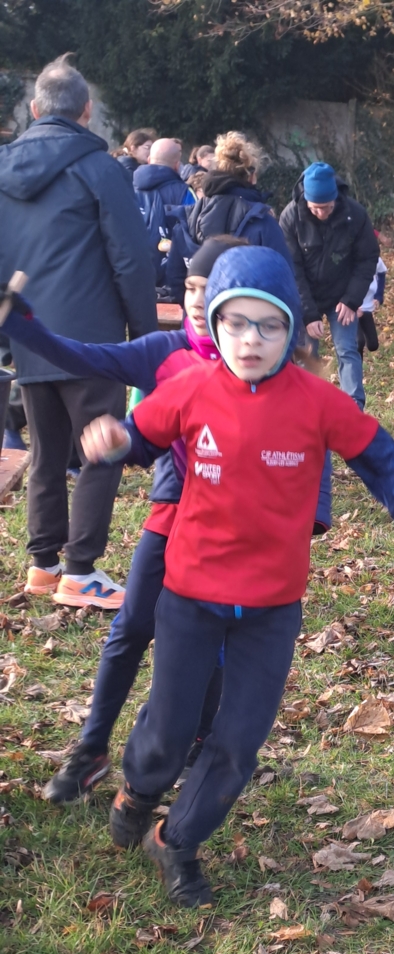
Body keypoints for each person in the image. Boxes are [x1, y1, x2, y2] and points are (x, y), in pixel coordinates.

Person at [79, 245, 394, 907]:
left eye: (268, 325)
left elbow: (387, 461)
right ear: (215, 323)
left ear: (291, 330)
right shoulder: (191, 387)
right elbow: (142, 435)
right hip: (189, 595)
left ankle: (177, 840)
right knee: (170, 728)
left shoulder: (317, 402)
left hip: (271, 608)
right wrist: (115, 441)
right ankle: (140, 788)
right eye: (236, 322)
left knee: (238, 741)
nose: (250, 340)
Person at [0, 237, 274, 804]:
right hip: (173, 510)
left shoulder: (263, 360)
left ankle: (200, 740)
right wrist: (21, 323)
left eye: (208, 290)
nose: (195, 299)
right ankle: (91, 750)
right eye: (190, 287)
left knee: (216, 638)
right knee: (130, 629)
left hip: (235, 527)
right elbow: (83, 357)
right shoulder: (164, 350)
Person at [0, 54, 157, 609]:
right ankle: (80, 571)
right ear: (87, 110)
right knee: (101, 451)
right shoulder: (101, 169)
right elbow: (132, 259)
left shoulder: (2, 168)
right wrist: (145, 341)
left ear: (35, 108)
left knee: (45, 453)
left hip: (29, 334)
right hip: (92, 338)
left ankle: (43, 565)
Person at [279, 161, 378, 410]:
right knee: (306, 353)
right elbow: (292, 268)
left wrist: (352, 299)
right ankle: (306, 407)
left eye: (327, 207)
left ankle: (354, 407)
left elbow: (367, 259)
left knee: (348, 350)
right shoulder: (291, 217)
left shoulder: (355, 215)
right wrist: (308, 313)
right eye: (316, 208)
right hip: (306, 295)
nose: (322, 213)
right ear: (306, 200)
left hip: (341, 295)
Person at [164, 130, 290, 306]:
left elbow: (175, 279)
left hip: (196, 317)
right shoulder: (262, 221)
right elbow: (283, 279)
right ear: (251, 176)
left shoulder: (187, 217)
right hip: (243, 319)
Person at [133, 138, 194, 279]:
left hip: (134, 271)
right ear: (177, 165)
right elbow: (194, 232)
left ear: (149, 160)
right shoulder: (185, 193)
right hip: (171, 274)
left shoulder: (127, 187)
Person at [357, 255, 387, 358]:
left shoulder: (374, 258)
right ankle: (356, 366)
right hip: (351, 308)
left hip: (367, 306)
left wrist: (378, 296)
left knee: (373, 345)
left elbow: (381, 273)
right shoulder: (348, 256)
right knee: (359, 342)